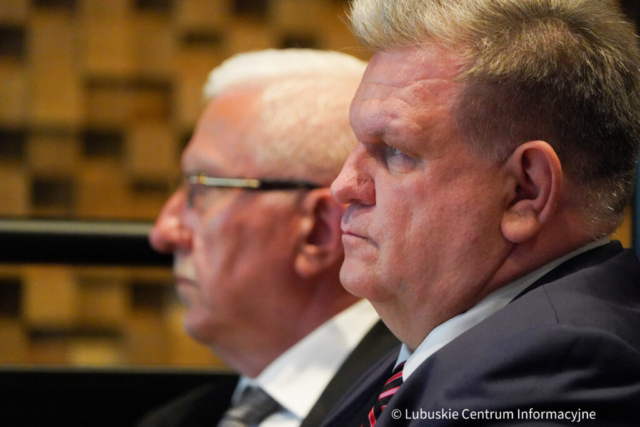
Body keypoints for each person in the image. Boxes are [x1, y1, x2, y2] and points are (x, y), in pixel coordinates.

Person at [323, 0, 640, 425]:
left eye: (395, 150)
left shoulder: (559, 366)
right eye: (358, 144)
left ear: (525, 191)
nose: (344, 185)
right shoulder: (425, 347)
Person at [138, 49, 399, 427]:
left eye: (202, 188)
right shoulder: (175, 420)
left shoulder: (422, 406)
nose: (164, 232)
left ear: (317, 230)